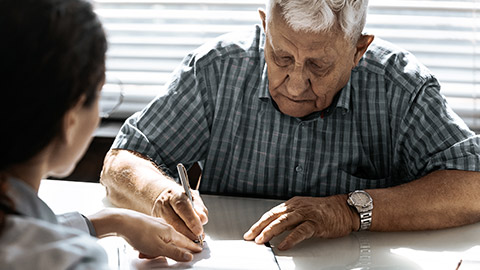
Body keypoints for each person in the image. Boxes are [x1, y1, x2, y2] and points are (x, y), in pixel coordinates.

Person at [100, 0, 480, 251]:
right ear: (265, 27)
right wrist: (161, 195)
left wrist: (349, 211)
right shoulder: (216, 68)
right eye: (281, 56)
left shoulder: (400, 85)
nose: (296, 84)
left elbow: (472, 186)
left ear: (358, 50)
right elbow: (120, 163)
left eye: (319, 66)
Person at [0, 0, 202, 268]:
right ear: (69, 120)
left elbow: (24, 230)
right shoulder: (74, 260)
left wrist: (113, 221)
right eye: (98, 95)